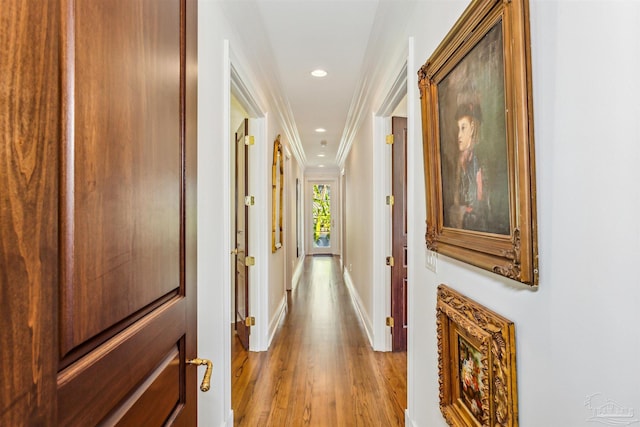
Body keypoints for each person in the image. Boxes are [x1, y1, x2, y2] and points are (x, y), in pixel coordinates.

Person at [449, 103, 488, 231]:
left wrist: (464, 211)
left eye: (463, 128)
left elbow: (480, 202)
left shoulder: (479, 161)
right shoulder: (459, 162)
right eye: (458, 128)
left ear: (472, 129)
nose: (459, 135)